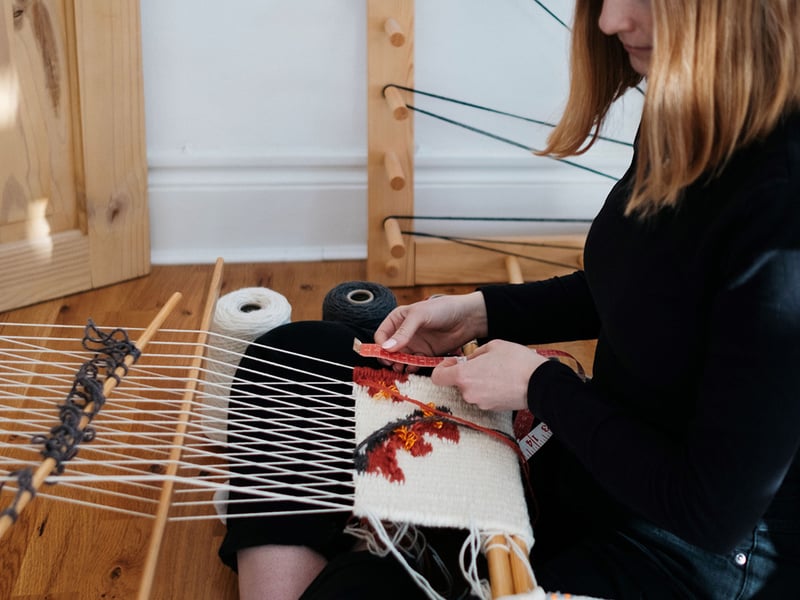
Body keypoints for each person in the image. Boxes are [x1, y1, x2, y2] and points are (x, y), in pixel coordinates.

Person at [221, 0, 800, 598]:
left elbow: (714, 512)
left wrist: (539, 387)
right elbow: (647, 293)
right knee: (295, 356)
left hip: (688, 554)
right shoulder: (700, 106)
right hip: (599, 466)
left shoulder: (781, 220)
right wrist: (480, 310)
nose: (608, 20)